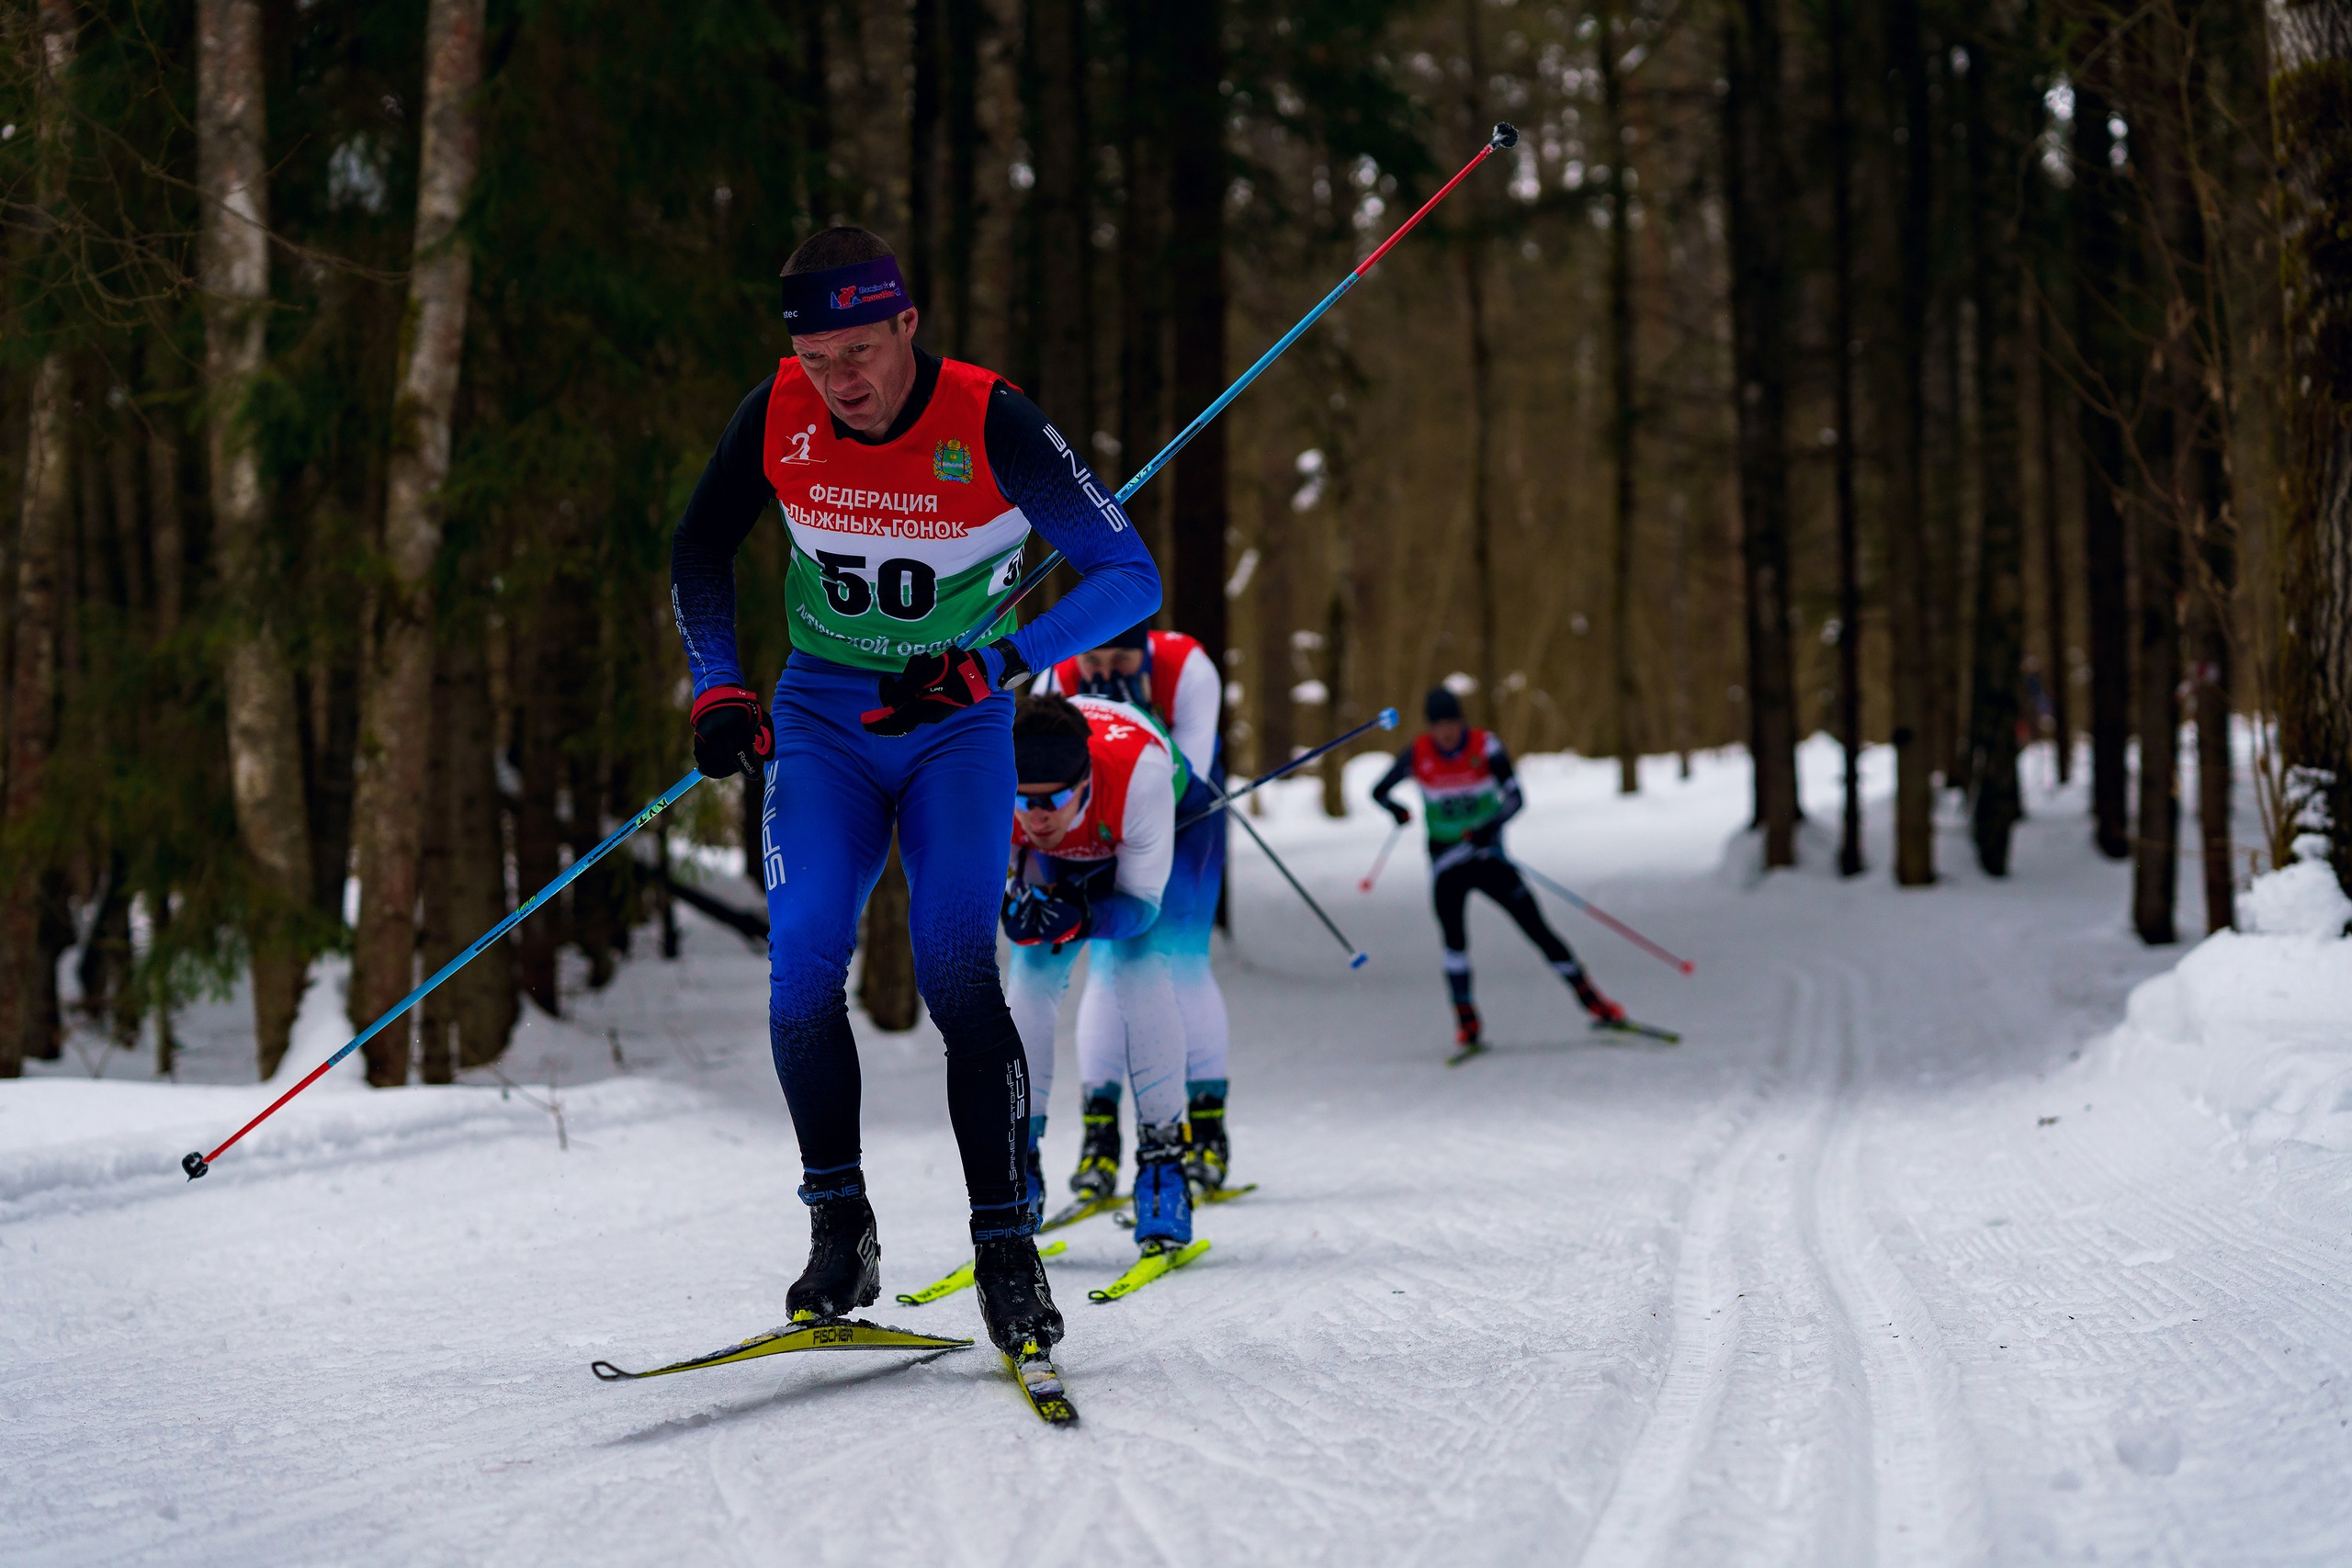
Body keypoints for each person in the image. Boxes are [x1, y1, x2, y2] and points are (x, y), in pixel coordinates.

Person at [668, 226, 1158, 1367]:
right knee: (800, 977)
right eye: (816, 357)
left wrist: (991, 665)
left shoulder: (994, 420)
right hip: (823, 720)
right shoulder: (778, 410)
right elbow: (698, 549)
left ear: (905, 323)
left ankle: (1005, 1249)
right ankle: (840, 1226)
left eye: (858, 350)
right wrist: (719, 687)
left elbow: (1132, 577)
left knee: (954, 972)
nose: (840, 381)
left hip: (955, 727)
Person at [1035, 625, 1234, 1195]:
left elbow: (1186, 778)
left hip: (1183, 809)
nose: (1104, 671)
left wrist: (1137, 719)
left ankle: (1208, 1133)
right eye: (1094, 657)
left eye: (1121, 657)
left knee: (1179, 960)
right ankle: (1099, 1140)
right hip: (1096, 812)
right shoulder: (1062, 671)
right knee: (1106, 960)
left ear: (1144, 651)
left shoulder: (1188, 667)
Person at [1001, 692, 1193, 1256]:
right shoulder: (990, 776)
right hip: (1069, 851)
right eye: (1023, 799)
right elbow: (991, 879)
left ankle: (1163, 1165)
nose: (1037, 815)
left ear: (1082, 781)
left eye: (1054, 798)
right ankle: (1021, 1165)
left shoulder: (1141, 777)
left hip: (1142, 834)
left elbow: (1141, 905)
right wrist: (1010, 904)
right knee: (1028, 980)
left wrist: (1083, 913)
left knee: (1140, 972)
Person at [1369, 686, 1623, 1048]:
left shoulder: (1485, 747)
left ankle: (1593, 1002)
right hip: (1447, 864)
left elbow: (1516, 796)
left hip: (1489, 858)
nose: (1447, 731)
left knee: (1538, 929)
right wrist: (1398, 811)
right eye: (1440, 725)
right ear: (1431, 727)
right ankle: (1466, 1021)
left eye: (1453, 722)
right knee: (1454, 942)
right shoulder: (1418, 753)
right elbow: (1378, 791)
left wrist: (1490, 828)